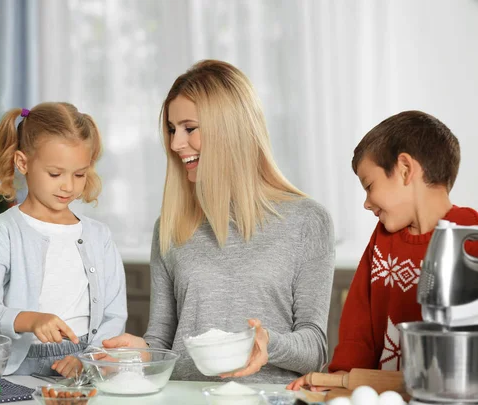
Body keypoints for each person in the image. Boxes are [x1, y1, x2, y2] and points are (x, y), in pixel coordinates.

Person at [103, 60, 335, 384]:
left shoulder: (307, 221)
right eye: (172, 129)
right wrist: (141, 352)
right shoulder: (170, 227)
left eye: (189, 128)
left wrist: (269, 343)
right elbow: (162, 342)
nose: (175, 144)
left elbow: (315, 348)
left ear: (229, 129)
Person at [287, 110, 478, 390]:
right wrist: (341, 375)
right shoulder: (382, 241)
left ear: (405, 170)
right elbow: (358, 327)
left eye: (369, 186)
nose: (367, 203)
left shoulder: (475, 236)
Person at [0, 102, 127, 377]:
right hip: (18, 367)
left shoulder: (99, 236)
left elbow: (114, 315)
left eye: (79, 174)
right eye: (55, 174)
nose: (68, 186)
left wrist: (91, 360)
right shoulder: (1, 231)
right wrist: (29, 319)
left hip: (84, 365)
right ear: (23, 163)